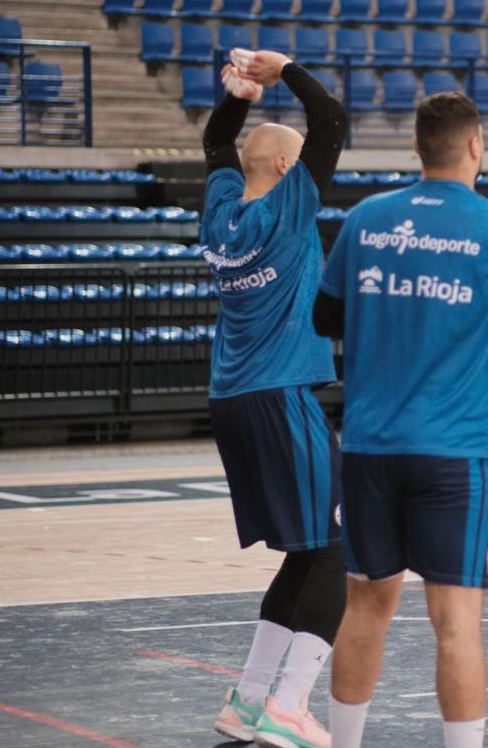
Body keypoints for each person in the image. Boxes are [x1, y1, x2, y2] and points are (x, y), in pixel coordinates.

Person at [312, 91, 488, 748]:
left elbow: (323, 320)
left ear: (416, 147)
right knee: (456, 620)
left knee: (365, 607)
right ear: (475, 146)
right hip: (453, 453)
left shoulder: (366, 220)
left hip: (367, 448)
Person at [201, 49, 349, 748]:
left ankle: (248, 699)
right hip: (281, 394)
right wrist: (282, 69)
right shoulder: (292, 211)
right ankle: (289, 706)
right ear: (292, 174)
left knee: (303, 550)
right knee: (336, 553)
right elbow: (332, 120)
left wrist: (235, 98)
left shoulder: (221, 212)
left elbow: (213, 144)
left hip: (231, 398)